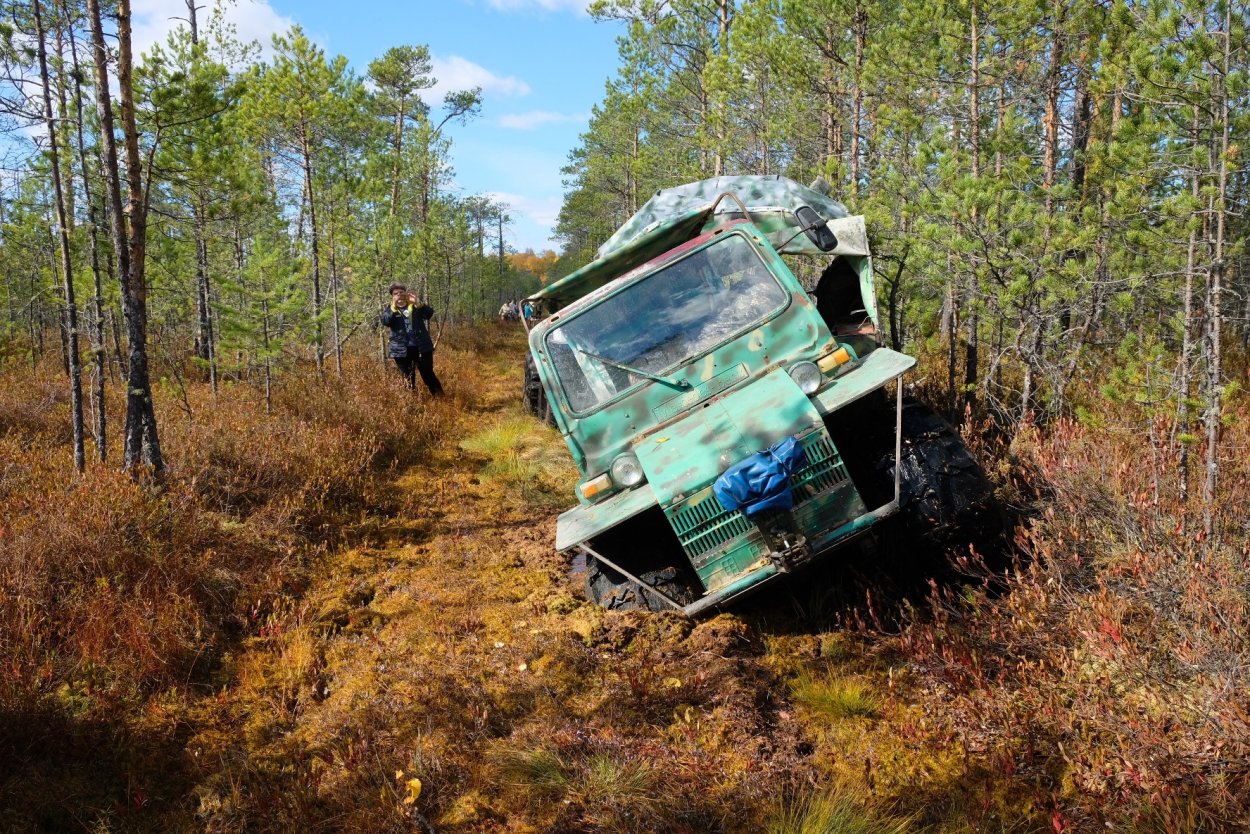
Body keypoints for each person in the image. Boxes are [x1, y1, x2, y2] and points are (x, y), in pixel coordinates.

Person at [381, 283, 443, 395]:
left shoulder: (415, 306)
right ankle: (412, 405)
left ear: (405, 293)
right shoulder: (390, 309)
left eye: (401, 292)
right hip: (401, 350)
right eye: (396, 293)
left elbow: (429, 314)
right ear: (392, 296)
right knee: (408, 378)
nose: (399, 295)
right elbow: (386, 321)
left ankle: (442, 399)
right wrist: (393, 308)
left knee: (428, 375)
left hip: (421, 348)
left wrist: (418, 302)